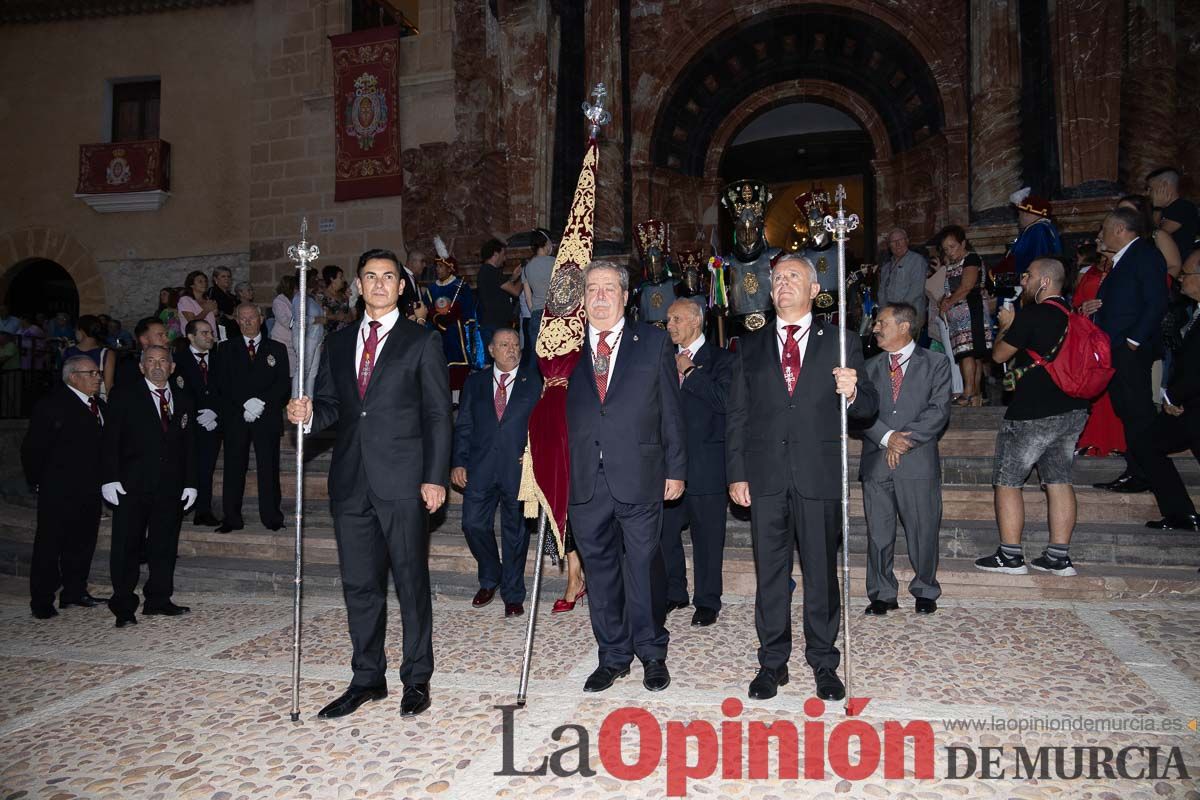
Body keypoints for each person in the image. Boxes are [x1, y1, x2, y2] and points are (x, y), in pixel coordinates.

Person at [286, 247, 451, 719]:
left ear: (402, 286)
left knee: (410, 581)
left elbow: (439, 415)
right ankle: (367, 677)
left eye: (388, 277)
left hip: (403, 480)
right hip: (351, 479)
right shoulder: (338, 343)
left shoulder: (421, 341)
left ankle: (416, 677)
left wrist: (434, 477)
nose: (379, 284)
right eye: (370, 277)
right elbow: (334, 406)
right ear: (358, 286)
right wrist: (308, 413)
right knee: (360, 584)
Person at [725, 253, 878, 702]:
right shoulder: (748, 346)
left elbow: (868, 408)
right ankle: (772, 663)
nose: (783, 283)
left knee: (820, 572)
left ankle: (824, 662)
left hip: (819, 474)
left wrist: (853, 392)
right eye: (777, 279)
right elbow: (737, 415)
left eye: (794, 276)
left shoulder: (843, 341)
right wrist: (737, 473)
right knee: (770, 574)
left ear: (815, 290)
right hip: (766, 474)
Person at [565, 260, 685, 694]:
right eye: (591, 289)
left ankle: (651, 651)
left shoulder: (652, 343)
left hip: (639, 474)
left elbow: (671, 411)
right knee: (599, 573)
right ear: (582, 299)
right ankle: (613, 655)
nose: (599, 296)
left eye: (608, 289)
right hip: (582, 481)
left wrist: (676, 468)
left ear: (624, 295)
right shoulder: (561, 351)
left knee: (641, 567)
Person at [976, 258, 1089, 577]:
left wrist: (1007, 325)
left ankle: (1010, 555)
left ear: (1044, 282)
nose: (1022, 280)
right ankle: (1059, 556)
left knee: (1007, 481)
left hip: (1032, 413)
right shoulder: (1072, 316)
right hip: (1072, 410)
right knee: (1059, 480)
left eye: (1028, 275)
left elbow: (998, 356)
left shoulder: (1033, 315)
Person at [859, 303, 951, 616]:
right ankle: (882, 593)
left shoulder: (936, 363)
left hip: (918, 461)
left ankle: (925, 589)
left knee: (923, 529)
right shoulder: (868, 367)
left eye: (881, 322)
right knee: (879, 533)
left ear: (903, 326)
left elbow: (938, 410)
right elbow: (857, 411)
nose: (875, 328)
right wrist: (887, 438)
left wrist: (902, 440)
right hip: (877, 460)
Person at [101, 345, 198, 626]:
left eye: (163, 361)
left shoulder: (182, 397)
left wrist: (191, 483)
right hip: (131, 485)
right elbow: (110, 440)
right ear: (142, 367)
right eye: (151, 361)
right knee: (126, 546)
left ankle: (158, 599)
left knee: (165, 545)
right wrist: (109, 477)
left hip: (170, 486)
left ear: (172, 367)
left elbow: (191, 445)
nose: (157, 365)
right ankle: (123, 605)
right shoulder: (124, 395)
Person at [451, 328, 542, 617]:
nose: (512, 349)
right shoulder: (475, 383)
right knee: (473, 524)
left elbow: (543, 427)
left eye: (516, 344)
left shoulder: (534, 382)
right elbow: (464, 424)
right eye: (504, 345)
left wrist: (534, 457)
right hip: (480, 467)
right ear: (491, 349)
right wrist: (458, 462)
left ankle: (513, 594)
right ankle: (491, 576)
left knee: (515, 533)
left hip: (518, 469)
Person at [661, 298, 733, 627]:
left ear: (695, 321)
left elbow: (726, 402)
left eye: (676, 319)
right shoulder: (662, 360)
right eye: (668, 320)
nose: (670, 325)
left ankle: (707, 600)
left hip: (707, 464)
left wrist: (688, 371)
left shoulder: (721, 359)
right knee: (664, 533)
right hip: (668, 466)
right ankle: (674, 591)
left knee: (707, 538)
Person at [21, 355, 107, 619]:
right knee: (50, 545)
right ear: (73, 377)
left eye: (98, 373)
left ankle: (74, 591)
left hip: (90, 489)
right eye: (91, 373)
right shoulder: (52, 406)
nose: (98, 377)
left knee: (82, 543)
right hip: (58, 489)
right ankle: (42, 599)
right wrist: (39, 482)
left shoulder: (99, 405)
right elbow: (32, 448)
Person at [1091, 207, 1170, 493]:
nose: (1101, 234)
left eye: (1104, 228)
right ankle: (1136, 470)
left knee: (1138, 413)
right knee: (1127, 411)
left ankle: (1147, 473)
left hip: (1130, 349)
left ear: (1120, 230)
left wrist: (1133, 342)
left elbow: (1156, 301)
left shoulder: (1144, 255)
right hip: (1117, 348)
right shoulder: (1124, 260)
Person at [214, 303, 289, 533]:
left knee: (269, 468)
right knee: (234, 468)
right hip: (237, 417)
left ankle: (272, 517)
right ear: (236, 320)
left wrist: (261, 403)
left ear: (260, 319)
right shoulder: (225, 348)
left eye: (251, 317)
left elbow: (283, 384)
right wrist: (245, 402)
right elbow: (222, 382)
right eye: (242, 318)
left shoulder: (276, 348)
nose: (247, 322)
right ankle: (232, 518)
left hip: (267, 417)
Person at [1139, 260, 1200, 531]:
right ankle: (1180, 513)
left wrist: (1174, 396)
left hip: (1191, 403)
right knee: (1146, 444)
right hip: (1186, 405)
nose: (1180, 279)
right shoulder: (1190, 312)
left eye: (1185, 274)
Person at [1072, 238, 1125, 457]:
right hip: (1091, 337)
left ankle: (1118, 441)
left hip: (1118, 336)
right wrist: (1083, 308)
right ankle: (1093, 439)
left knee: (1117, 391)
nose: (1098, 238)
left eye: (1103, 233)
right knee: (1095, 388)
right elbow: (1075, 305)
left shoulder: (1127, 266)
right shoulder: (1090, 271)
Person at [938, 225, 992, 407]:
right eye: (946, 249)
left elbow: (967, 285)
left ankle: (968, 392)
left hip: (972, 309)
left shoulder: (971, 259)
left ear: (963, 243)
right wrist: (944, 301)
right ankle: (975, 395)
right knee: (968, 353)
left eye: (952, 247)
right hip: (958, 314)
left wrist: (948, 302)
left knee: (968, 351)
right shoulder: (951, 263)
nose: (949, 252)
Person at [176, 319, 223, 527]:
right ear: (191, 337)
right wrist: (195, 414)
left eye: (210, 332)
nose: (210, 336)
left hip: (212, 424)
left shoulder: (220, 358)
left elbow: (227, 389)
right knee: (183, 467)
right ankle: (179, 509)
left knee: (206, 468)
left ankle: (203, 511)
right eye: (204, 333)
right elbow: (177, 393)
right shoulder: (178, 361)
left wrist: (216, 412)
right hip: (187, 425)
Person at [424, 240, 481, 395]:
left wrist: (454, 314)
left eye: (441, 266)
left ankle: (457, 397)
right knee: (439, 363)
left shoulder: (460, 286)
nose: (437, 269)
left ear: (450, 268)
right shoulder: (432, 288)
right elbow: (426, 308)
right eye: (436, 266)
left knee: (458, 364)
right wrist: (436, 318)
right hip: (437, 331)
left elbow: (468, 307)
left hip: (456, 331)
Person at [998, 188, 1063, 278]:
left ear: (1026, 213)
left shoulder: (1037, 229)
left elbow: (1036, 259)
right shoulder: (1043, 228)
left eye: (1019, 214)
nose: (1019, 219)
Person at [476, 238, 521, 354]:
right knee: (503, 358)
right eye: (503, 254)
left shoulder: (484, 271)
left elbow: (498, 288)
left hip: (489, 322)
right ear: (495, 255)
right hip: (497, 325)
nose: (504, 258)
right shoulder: (493, 271)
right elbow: (515, 291)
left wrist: (513, 278)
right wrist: (525, 275)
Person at [877, 229, 928, 331]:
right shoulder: (886, 267)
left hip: (909, 317)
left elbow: (916, 290)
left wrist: (897, 313)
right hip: (890, 319)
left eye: (901, 240)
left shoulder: (917, 261)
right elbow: (882, 292)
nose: (897, 244)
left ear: (907, 241)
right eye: (893, 242)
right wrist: (883, 313)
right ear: (889, 245)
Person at [1147, 167, 1198, 262]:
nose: (1148, 193)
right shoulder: (1160, 209)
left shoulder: (1183, 207)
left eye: (1151, 188)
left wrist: (1157, 208)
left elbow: (1156, 236)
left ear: (1164, 185)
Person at [62, 314, 116, 399]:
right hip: (95, 400)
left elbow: (64, 381)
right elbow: (108, 386)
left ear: (82, 331)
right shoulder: (107, 353)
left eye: (76, 329)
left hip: (71, 398)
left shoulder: (69, 352)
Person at [291, 268, 326, 397]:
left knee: (312, 373)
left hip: (316, 338)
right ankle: (296, 399)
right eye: (315, 278)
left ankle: (308, 402)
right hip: (305, 337)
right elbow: (299, 319)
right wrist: (317, 319)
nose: (317, 281)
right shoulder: (299, 297)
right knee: (302, 370)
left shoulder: (312, 297)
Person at [523, 228, 555, 350]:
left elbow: (528, 297)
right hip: (554, 313)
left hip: (536, 314)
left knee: (537, 356)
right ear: (546, 243)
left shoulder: (527, 267)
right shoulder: (556, 262)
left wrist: (534, 310)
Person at [114, 317, 169, 388]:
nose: (167, 340)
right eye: (160, 335)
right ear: (144, 340)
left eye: (166, 335)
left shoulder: (176, 363)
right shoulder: (129, 370)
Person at [269, 274, 299, 379]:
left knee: (295, 372)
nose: (297, 290)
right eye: (295, 288)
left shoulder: (296, 300)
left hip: (293, 341)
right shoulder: (279, 301)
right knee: (284, 371)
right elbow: (286, 321)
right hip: (281, 340)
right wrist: (302, 322)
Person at [178, 271, 219, 336]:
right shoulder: (185, 300)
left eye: (205, 281)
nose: (204, 284)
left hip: (211, 337)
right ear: (191, 285)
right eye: (200, 281)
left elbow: (214, 322)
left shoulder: (207, 299)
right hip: (196, 339)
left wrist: (216, 314)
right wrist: (206, 310)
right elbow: (192, 322)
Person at [319, 265, 355, 334]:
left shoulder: (343, 296)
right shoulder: (322, 296)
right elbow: (318, 317)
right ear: (332, 279)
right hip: (331, 335)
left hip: (346, 333)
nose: (343, 280)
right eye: (340, 277)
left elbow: (351, 316)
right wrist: (335, 317)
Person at [209, 266, 238, 341]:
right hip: (220, 328)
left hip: (233, 328)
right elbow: (211, 309)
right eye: (223, 276)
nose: (227, 279)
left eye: (229, 276)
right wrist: (226, 315)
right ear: (215, 279)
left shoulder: (231, 296)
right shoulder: (212, 292)